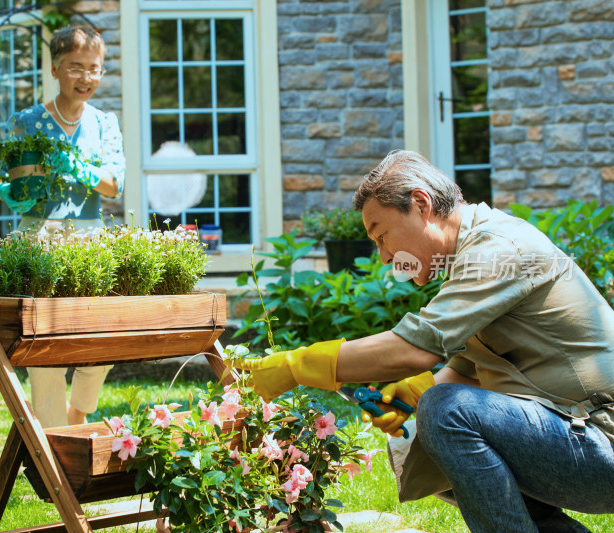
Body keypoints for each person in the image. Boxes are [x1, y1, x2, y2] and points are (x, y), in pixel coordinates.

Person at [231, 150, 614, 532]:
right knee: (424, 446)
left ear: (420, 204)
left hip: (602, 440)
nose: (382, 256)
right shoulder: (471, 254)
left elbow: (416, 347)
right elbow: (476, 366)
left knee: (447, 412)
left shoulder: (499, 250)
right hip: (578, 436)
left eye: (382, 236)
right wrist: (417, 390)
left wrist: (296, 366)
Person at [0, 25, 125, 428]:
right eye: (75, 67)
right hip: (38, 236)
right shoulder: (27, 121)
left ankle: (77, 411)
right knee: (42, 345)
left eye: (94, 69)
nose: (86, 78)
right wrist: (11, 193)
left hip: (89, 240)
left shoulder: (104, 124)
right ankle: (53, 444)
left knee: (102, 338)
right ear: (54, 68)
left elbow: (115, 183)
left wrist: (78, 167)